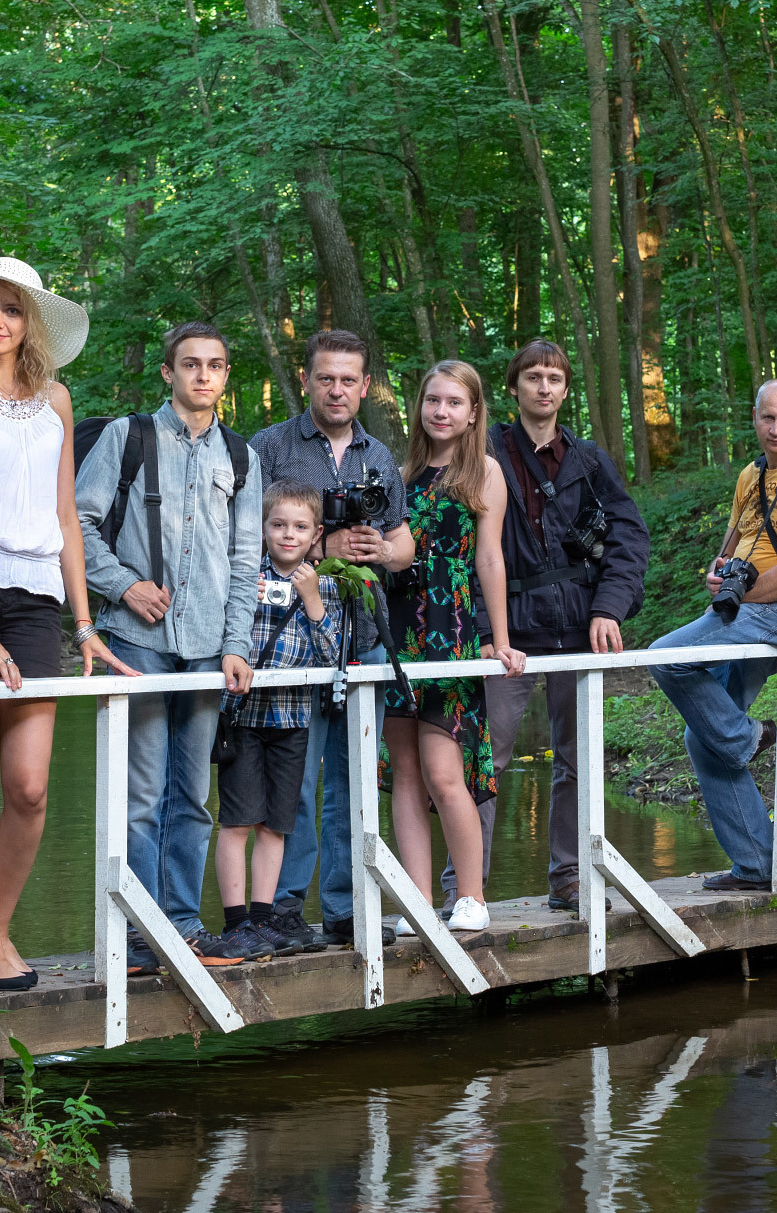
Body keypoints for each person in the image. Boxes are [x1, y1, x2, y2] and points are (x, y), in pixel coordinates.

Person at [0, 259, 133, 995]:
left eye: (10, 308)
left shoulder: (57, 402)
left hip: (39, 598)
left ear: (30, 319)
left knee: (30, 785)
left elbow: (67, 515)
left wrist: (85, 624)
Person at [77, 322, 261, 968]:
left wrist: (238, 644)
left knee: (193, 797)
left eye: (214, 365)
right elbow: (77, 523)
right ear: (168, 372)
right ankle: (135, 931)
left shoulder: (241, 457)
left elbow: (246, 560)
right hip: (137, 641)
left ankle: (181, 926)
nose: (202, 375)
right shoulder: (127, 438)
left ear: (226, 375)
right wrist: (125, 586)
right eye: (190, 364)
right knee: (141, 794)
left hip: (210, 645)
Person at [647, 379, 777, 892]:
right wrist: (721, 574)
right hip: (748, 609)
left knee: (664, 657)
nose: (776, 429)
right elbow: (732, 546)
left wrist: (739, 596)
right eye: (767, 418)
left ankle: (749, 737)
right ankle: (758, 865)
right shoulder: (751, 474)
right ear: (754, 419)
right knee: (703, 735)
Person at [249, 330, 414, 952]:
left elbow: (404, 546)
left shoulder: (379, 456)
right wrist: (323, 546)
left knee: (353, 781)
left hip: (364, 637)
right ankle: (284, 908)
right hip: (290, 642)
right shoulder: (270, 447)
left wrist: (381, 549)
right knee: (292, 778)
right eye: (326, 378)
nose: (337, 389)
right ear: (307, 380)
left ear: (365, 386)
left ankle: (346, 907)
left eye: (349, 380)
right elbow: (250, 537)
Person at [478, 340, 650, 910]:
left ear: (566, 389)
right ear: (514, 386)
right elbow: (459, 549)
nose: (544, 387)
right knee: (482, 760)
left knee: (577, 760)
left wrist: (609, 607)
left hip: (578, 630)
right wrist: (483, 628)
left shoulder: (588, 460)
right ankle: (467, 889)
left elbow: (628, 538)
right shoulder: (482, 455)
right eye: (533, 377)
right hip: (507, 636)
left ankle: (570, 878)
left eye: (554, 378)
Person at [384, 360, 525, 937]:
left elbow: (490, 558)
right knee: (405, 773)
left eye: (453, 403)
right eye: (432, 401)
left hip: (450, 630)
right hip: (398, 631)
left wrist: (500, 639)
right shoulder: (400, 472)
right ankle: (418, 901)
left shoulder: (485, 471)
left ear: (472, 413)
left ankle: (471, 895)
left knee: (446, 773)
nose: (441, 412)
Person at [213, 482, 348, 958]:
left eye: (299, 527)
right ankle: (236, 923)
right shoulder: (242, 575)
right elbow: (223, 638)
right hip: (244, 719)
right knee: (238, 820)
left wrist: (312, 598)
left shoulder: (326, 585)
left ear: (316, 535)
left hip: (292, 720)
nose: (288, 535)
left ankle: (264, 917)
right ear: (263, 528)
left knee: (276, 824)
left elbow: (334, 656)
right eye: (278, 525)